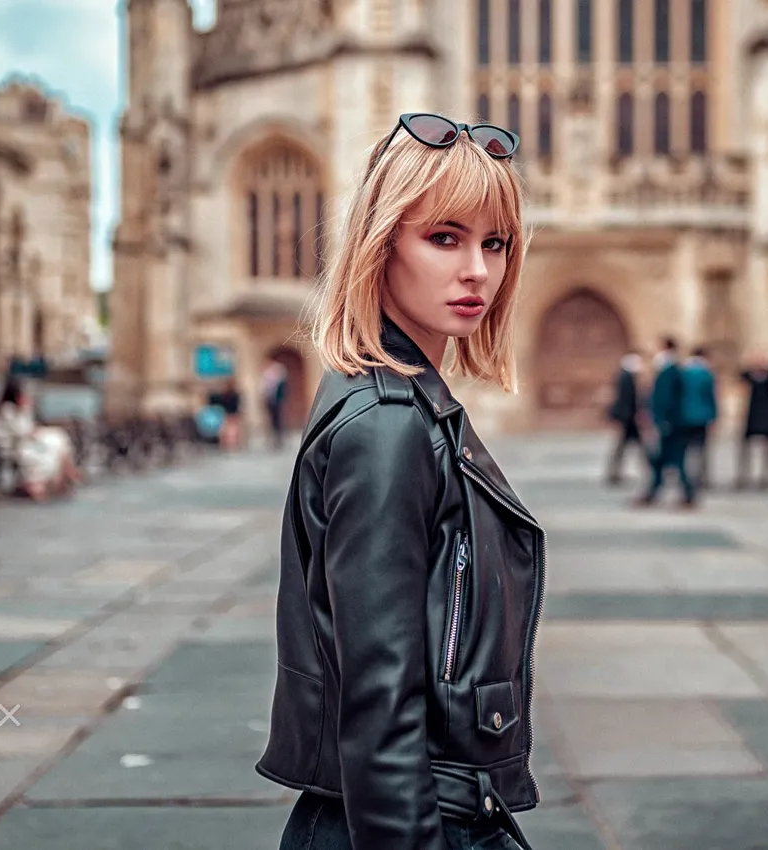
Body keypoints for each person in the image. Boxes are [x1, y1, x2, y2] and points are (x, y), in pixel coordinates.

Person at [256, 112, 542, 850]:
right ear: (382, 244)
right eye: (443, 237)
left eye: (495, 243)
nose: (476, 269)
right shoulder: (388, 426)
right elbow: (380, 712)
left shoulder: (404, 402)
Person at [0, 379, 81, 501]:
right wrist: (26, 409)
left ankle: (61, 476)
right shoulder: (7, 410)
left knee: (57, 440)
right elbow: (23, 431)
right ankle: (57, 478)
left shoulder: (16, 409)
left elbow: (27, 429)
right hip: (14, 448)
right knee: (49, 450)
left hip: (23, 444)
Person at [635, 337, 696, 508]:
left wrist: (661, 420)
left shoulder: (669, 371)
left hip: (671, 424)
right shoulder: (669, 370)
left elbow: (665, 398)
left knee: (673, 459)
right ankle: (654, 492)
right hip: (670, 423)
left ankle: (686, 494)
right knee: (663, 460)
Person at [738, 354, 768, 489]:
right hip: (753, 414)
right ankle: (745, 475)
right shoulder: (751, 377)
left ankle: (767, 476)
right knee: (746, 447)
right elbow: (741, 375)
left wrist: (765, 365)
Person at [679, 347, 718, 490]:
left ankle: (684, 476)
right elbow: (711, 397)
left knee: (685, 449)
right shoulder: (707, 374)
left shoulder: (683, 372)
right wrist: (714, 416)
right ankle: (700, 477)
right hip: (702, 416)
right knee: (701, 449)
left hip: (684, 416)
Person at [604, 350, 645, 485]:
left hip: (628, 417)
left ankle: (614, 473)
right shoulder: (626, 377)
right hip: (628, 418)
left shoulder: (625, 376)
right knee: (627, 446)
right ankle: (614, 473)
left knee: (625, 447)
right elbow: (627, 400)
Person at [261, 361, 288, 450]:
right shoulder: (267, 381)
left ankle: (279, 438)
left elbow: (283, 393)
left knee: (278, 421)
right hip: (270, 403)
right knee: (272, 421)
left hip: (277, 404)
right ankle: (273, 438)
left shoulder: (280, 382)